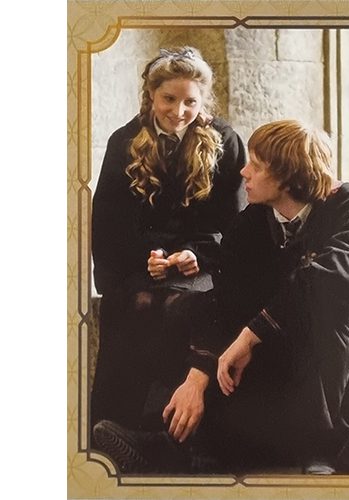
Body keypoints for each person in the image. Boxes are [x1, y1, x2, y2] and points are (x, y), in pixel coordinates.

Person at [93, 119, 349, 475]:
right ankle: (178, 440)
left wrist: (251, 335)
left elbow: (335, 278)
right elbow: (227, 298)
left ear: (288, 178)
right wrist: (196, 378)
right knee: (189, 309)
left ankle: (319, 454)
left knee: (331, 313)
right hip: (281, 341)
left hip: (347, 356)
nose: (244, 172)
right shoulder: (255, 219)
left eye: (257, 166)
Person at [90, 46, 246, 439]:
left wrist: (198, 254)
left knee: (181, 307)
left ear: (203, 98)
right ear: (151, 95)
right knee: (137, 303)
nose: (178, 112)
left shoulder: (225, 140)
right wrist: (148, 257)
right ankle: (117, 430)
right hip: (140, 265)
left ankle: (170, 430)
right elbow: (109, 223)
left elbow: (237, 222)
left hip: (205, 264)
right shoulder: (124, 141)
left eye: (190, 101)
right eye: (169, 99)